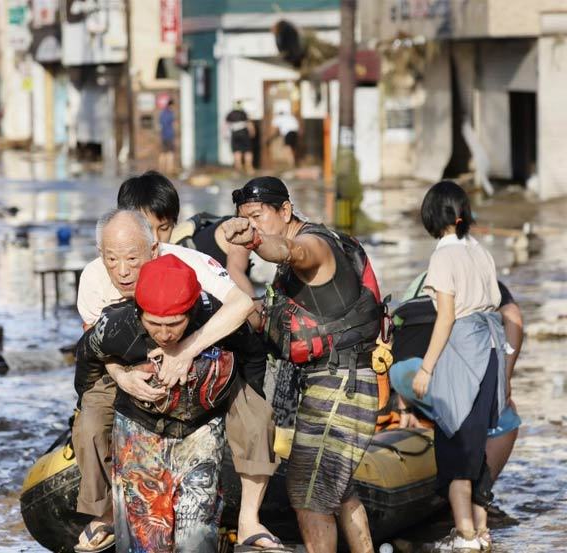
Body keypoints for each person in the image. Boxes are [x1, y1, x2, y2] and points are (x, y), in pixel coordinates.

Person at [73, 207, 283, 552]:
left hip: (203, 353)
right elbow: (93, 349)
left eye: (132, 258)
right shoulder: (94, 281)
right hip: (123, 360)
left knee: (256, 417)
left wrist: (184, 351)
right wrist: (122, 376)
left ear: (154, 248)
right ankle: (102, 514)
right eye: (112, 259)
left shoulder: (193, 265)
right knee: (90, 421)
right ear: (101, 255)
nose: (123, 271)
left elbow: (242, 305)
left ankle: (248, 520)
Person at [222, 176, 383, 553]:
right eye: (245, 219)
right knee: (339, 489)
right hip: (333, 382)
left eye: (259, 216)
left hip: (342, 384)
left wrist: (254, 241)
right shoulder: (287, 271)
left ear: (286, 210)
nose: (252, 225)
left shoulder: (315, 245)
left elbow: (291, 251)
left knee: (308, 493)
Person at [410, 180, 507, 552]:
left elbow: (446, 316)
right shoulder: (479, 250)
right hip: (492, 349)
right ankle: (481, 530)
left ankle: (464, 534)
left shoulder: (443, 256)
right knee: (476, 440)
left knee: (455, 440)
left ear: (431, 215)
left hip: (464, 351)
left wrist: (427, 368)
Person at [390, 274, 523, 483]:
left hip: (399, 373)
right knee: (505, 416)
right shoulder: (481, 277)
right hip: (433, 372)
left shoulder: (423, 278)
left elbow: (402, 329)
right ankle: (479, 494)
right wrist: (505, 376)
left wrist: (404, 402)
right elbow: (514, 317)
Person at [226, 101, 255, 174]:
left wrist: (225, 135)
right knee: (248, 151)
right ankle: (249, 169)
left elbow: (225, 125)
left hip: (235, 134)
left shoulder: (230, 114)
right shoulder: (243, 113)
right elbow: (249, 124)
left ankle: (238, 170)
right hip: (244, 133)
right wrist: (252, 132)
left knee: (237, 152)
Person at [158, 99, 177, 175]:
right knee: (170, 153)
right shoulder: (170, 114)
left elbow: (161, 124)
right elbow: (172, 124)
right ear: (171, 105)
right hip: (169, 135)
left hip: (163, 135)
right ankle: (169, 170)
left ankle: (161, 169)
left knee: (163, 153)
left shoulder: (162, 113)